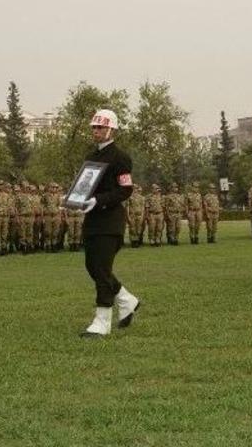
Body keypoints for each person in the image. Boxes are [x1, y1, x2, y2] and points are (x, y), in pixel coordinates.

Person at [79, 109, 140, 338]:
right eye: (94, 127)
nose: (96, 131)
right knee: (93, 267)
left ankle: (102, 320)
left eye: (101, 127)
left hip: (110, 221)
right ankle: (126, 300)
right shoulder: (91, 156)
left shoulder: (120, 157)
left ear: (112, 129)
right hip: (92, 220)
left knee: (102, 269)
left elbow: (125, 190)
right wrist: (74, 200)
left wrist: (99, 200)